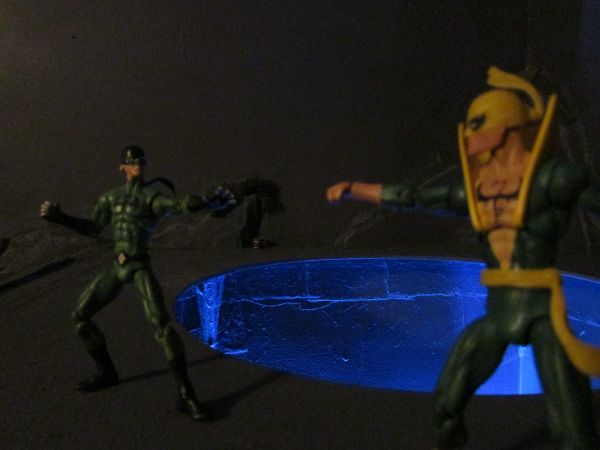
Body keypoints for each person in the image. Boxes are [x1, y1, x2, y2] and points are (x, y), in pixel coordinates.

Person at [327, 67, 600, 449]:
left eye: (478, 127)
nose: (471, 139)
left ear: (505, 128)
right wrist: (356, 189)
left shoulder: (552, 180)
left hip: (543, 313)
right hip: (500, 312)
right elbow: (414, 197)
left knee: (572, 426)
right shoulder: (477, 191)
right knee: (446, 404)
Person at [40, 145, 235, 420]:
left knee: (161, 325)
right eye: (132, 162)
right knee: (80, 316)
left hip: (139, 266)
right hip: (117, 267)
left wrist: (204, 201)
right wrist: (61, 218)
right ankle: (107, 372)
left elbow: (176, 205)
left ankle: (186, 394)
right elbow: (93, 227)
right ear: (122, 166)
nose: (137, 166)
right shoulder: (111, 198)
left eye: (141, 162)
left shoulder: (150, 197)